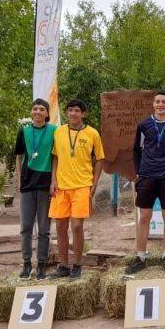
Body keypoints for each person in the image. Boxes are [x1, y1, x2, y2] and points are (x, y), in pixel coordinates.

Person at [125, 91, 165, 274]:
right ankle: (141, 257)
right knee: (144, 217)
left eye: (164, 102)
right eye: (158, 102)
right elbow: (136, 150)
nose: (161, 105)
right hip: (147, 176)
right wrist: (138, 173)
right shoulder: (144, 124)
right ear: (153, 104)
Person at [47, 99, 104, 280]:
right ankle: (63, 266)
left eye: (77, 110)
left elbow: (100, 159)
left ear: (83, 114)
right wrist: (53, 180)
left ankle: (77, 265)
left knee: (77, 226)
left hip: (81, 186)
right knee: (60, 227)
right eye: (70, 110)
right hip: (61, 187)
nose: (73, 113)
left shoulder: (92, 133)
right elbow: (55, 157)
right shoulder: (59, 132)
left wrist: (94, 184)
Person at [14, 99, 56, 279]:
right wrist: (18, 178)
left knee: (44, 228)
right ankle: (26, 264)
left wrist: (54, 180)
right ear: (31, 113)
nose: (38, 112)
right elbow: (18, 156)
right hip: (27, 183)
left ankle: (41, 265)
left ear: (47, 113)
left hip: (46, 184)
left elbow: (56, 158)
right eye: (35, 109)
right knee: (26, 227)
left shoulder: (55, 131)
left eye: (41, 109)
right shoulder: (24, 131)